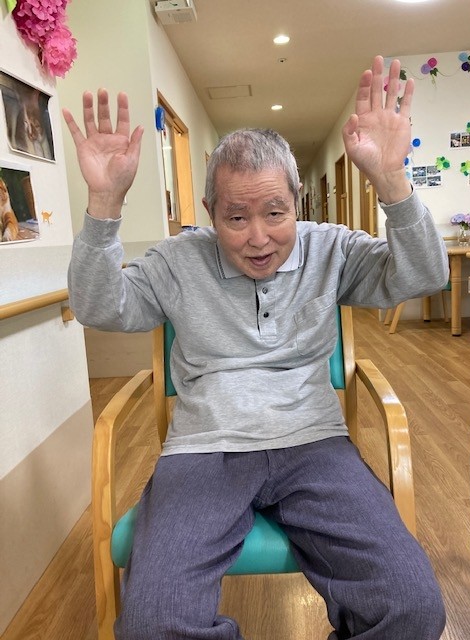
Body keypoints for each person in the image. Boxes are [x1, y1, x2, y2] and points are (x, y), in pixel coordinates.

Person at [64, 56, 448, 640]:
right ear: (210, 214)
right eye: (236, 217)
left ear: (299, 201)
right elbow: (99, 307)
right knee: (150, 625)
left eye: (275, 213)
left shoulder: (330, 249)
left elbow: (422, 275)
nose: (258, 237)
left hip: (315, 444)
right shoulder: (178, 260)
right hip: (204, 450)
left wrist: (392, 181)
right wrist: (103, 206)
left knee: (412, 608)